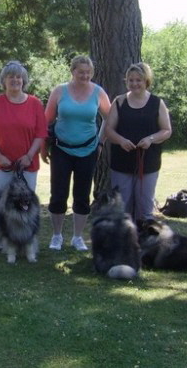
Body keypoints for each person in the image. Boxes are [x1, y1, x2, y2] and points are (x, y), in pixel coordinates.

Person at [41, 56, 112, 251]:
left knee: (82, 194)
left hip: (88, 150)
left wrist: (100, 143)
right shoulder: (59, 91)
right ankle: (57, 236)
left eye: (88, 72)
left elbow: (110, 118)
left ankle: (78, 237)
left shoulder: (98, 92)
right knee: (58, 193)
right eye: (81, 72)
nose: (85, 75)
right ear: (72, 71)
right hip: (61, 149)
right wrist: (43, 147)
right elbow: (46, 122)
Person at [0, 61, 47, 253]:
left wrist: (28, 156)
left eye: (19, 77)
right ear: (4, 81)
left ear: (24, 80)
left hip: (27, 164)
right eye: (11, 76)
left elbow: (41, 134)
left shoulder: (35, 104)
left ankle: (24, 240)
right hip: (0, 163)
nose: (15, 80)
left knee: (25, 202)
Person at [105, 62, 172, 222]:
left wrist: (150, 139)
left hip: (148, 162)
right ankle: (123, 243)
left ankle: (144, 243)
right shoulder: (119, 102)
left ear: (146, 81)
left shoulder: (157, 103)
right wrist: (121, 140)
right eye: (131, 80)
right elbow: (108, 130)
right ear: (126, 81)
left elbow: (167, 130)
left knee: (145, 208)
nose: (134, 84)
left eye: (138, 80)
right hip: (122, 162)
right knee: (122, 208)